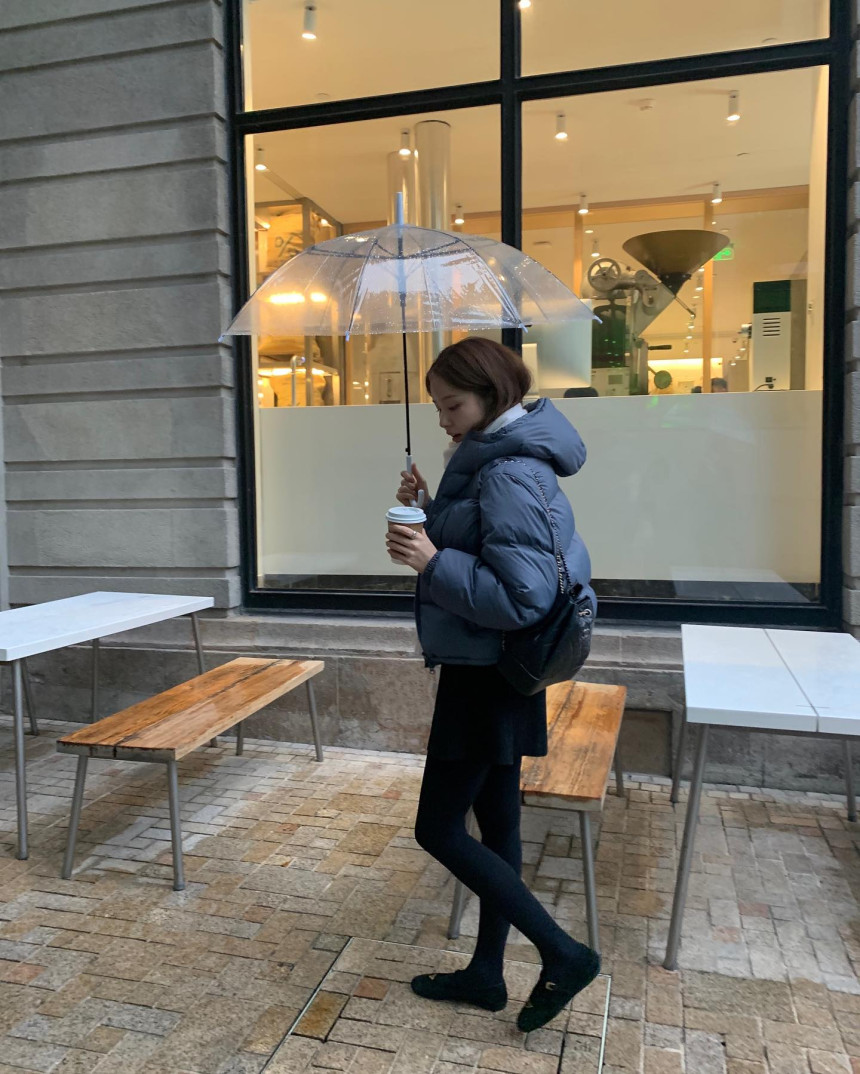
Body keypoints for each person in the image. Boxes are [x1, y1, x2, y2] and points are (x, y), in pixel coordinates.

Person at [386, 337, 599, 1034]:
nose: (443, 418)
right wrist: (429, 508)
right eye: (437, 406)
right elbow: (490, 548)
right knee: (498, 823)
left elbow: (522, 596)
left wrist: (429, 560)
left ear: (492, 396)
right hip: (495, 671)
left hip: (485, 676)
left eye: (452, 405)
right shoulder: (492, 459)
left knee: (438, 827)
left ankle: (564, 953)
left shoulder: (507, 471)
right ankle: (486, 973)